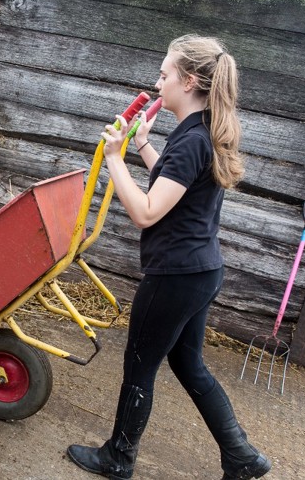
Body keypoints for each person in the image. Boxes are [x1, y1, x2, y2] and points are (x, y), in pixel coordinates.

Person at [66, 34, 271, 480]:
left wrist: (115, 157)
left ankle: (118, 458)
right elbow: (175, 185)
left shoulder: (193, 140)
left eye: (164, 75)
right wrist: (141, 145)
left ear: (189, 80)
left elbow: (146, 211)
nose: (158, 84)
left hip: (176, 277)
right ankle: (241, 457)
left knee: (139, 364)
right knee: (188, 363)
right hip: (201, 271)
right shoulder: (198, 132)